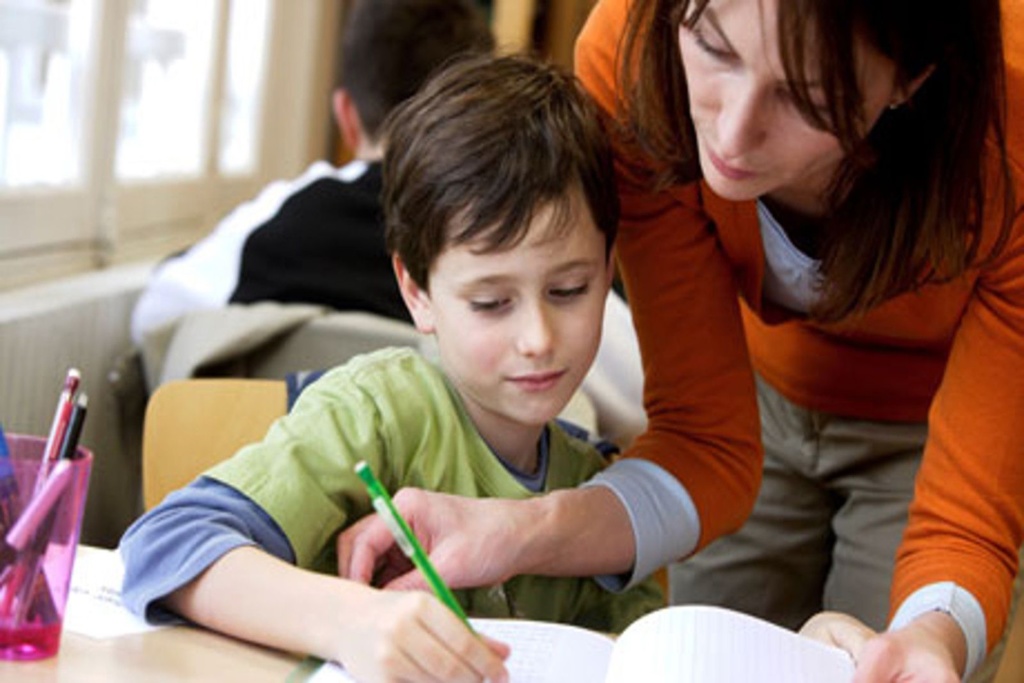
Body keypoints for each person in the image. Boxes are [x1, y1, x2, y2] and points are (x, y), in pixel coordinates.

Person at [338, 0, 1024, 681]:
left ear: (914, 76)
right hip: (747, 390)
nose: (731, 131)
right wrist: (514, 531)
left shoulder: (1012, 119)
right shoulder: (632, 50)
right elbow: (705, 439)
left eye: (806, 97)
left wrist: (933, 634)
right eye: (715, 49)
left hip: (929, 423)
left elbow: (966, 527)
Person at [118, 53, 664, 683]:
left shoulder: (599, 496)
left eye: (569, 290)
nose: (538, 339)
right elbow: (163, 545)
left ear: (608, 268)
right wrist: (354, 621)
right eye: (491, 303)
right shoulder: (375, 412)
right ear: (417, 292)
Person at [128, 0, 494, 345]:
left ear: (346, 115)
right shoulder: (503, 236)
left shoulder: (286, 220)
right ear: (478, 119)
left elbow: (154, 316)